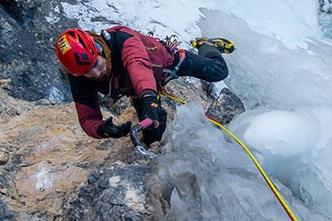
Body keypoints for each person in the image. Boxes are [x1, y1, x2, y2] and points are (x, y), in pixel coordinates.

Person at [54, 26, 230, 145]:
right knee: (153, 134)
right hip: (135, 89)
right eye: (87, 73)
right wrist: (103, 130)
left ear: (99, 49)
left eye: (95, 64)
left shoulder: (122, 39)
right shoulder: (78, 74)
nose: (96, 74)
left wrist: (148, 98)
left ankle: (206, 45)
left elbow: (138, 65)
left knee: (219, 72)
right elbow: (87, 118)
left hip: (166, 63)